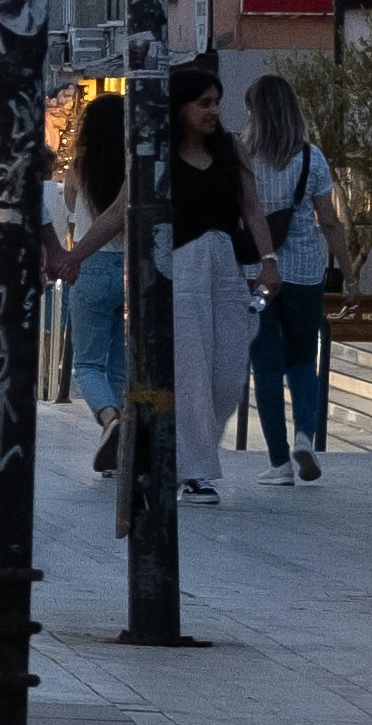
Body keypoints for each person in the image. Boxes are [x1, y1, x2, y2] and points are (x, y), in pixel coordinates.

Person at [157, 73, 276, 507]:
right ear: (182, 107)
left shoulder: (231, 149)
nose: (212, 111)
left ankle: (175, 450)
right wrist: (78, 253)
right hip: (181, 271)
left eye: (216, 103)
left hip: (226, 270)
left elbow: (252, 207)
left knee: (228, 373)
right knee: (190, 373)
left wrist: (269, 262)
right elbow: (123, 209)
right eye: (203, 103)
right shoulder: (161, 154)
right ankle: (196, 473)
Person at [246, 71, 340, 483]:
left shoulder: (243, 158)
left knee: (265, 364)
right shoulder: (312, 158)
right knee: (303, 358)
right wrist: (350, 274)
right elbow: (330, 220)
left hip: (257, 274)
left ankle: (279, 462)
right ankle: (305, 435)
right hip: (305, 272)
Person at [52, 90, 137, 485]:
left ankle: (109, 419)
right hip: (129, 269)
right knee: (120, 361)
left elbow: (70, 211)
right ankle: (119, 446)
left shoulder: (80, 167)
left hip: (91, 264)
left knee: (87, 363)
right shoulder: (135, 168)